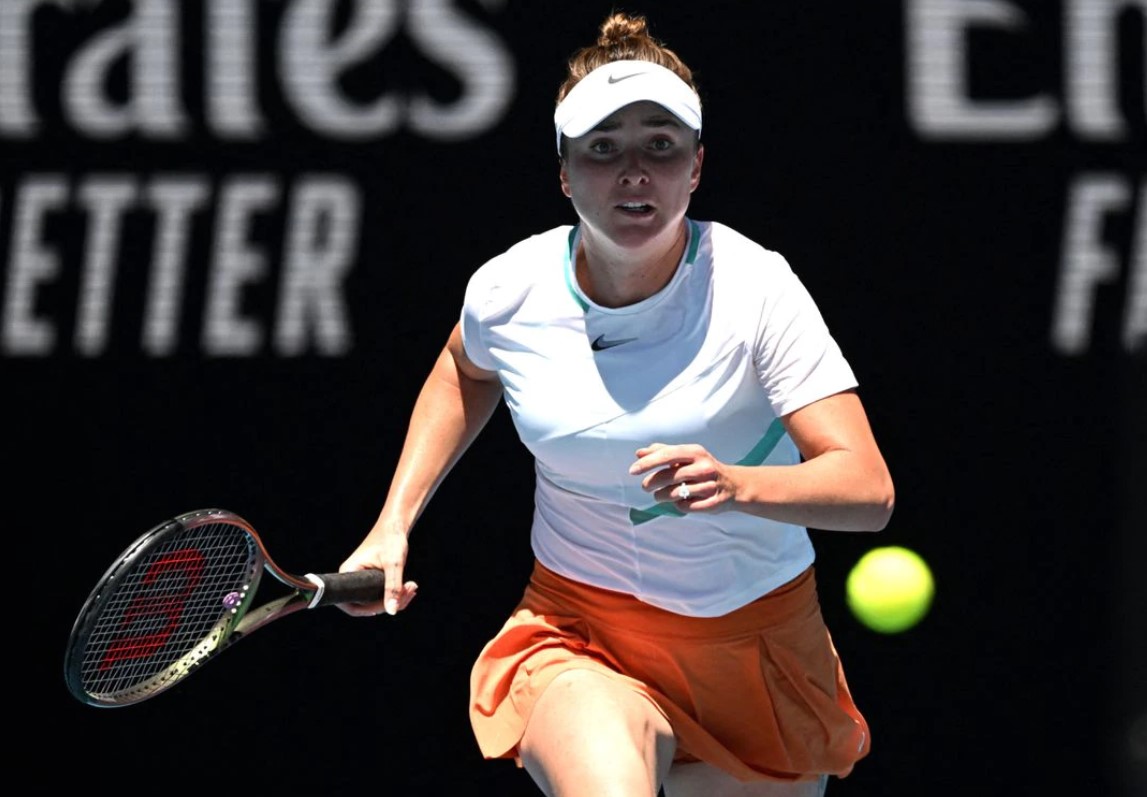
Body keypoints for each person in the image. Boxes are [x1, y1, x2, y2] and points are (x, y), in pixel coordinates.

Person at [338, 11, 894, 797]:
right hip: (580, 633)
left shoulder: (755, 286)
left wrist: (737, 483)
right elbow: (464, 369)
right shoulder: (511, 289)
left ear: (695, 168)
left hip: (757, 646)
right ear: (564, 173)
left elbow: (866, 490)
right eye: (603, 149)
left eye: (660, 146)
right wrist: (390, 526)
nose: (634, 170)